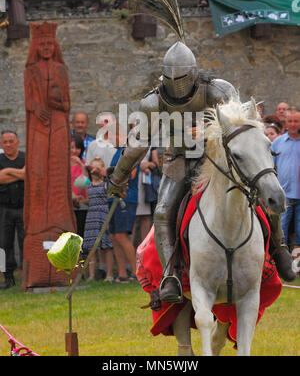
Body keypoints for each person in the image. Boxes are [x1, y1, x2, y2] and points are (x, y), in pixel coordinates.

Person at [108, 41, 296, 303]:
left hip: (219, 157)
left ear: (195, 75)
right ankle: (170, 276)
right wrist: (118, 176)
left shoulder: (218, 90)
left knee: (264, 190)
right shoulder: (153, 102)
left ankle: (279, 247)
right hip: (179, 158)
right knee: (162, 213)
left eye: (183, 78)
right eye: (172, 79)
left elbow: (240, 126)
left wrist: (206, 132)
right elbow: (138, 143)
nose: (178, 84)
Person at [108, 126, 139, 283]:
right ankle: (122, 274)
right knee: (114, 236)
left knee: (122, 236)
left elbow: (130, 173)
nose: (110, 138)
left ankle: (136, 272)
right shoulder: (117, 151)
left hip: (126, 198)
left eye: (113, 134)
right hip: (112, 197)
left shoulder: (130, 150)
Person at [271, 111, 300, 268]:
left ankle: (296, 267)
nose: (294, 124)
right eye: (291, 121)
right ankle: (279, 266)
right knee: (280, 232)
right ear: (286, 123)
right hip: (283, 195)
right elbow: (271, 166)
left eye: (297, 121)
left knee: (299, 235)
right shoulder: (278, 142)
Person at [82, 157, 114, 283]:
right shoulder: (88, 184)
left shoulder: (105, 184)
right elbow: (92, 199)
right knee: (91, 247)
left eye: (97, 167)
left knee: (107, 246)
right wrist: (81, 200)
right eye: (92, 167)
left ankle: (109, 275)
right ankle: (91, 275)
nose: (94, 170)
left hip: (103, 215)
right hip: (91, 216)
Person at [0, 130, 25, 289]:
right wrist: (19, 174)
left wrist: (7, 173)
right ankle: (8, 278)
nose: (8, 145)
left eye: (11, 141)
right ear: (2, 145)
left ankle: (26, 275)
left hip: (24, 208)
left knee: (25, 242)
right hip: (4, 209)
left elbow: (28, 175)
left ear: (17, 142)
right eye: (5, 142)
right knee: (3, 244)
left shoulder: (25, 158)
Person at [133, 147, 160, 249]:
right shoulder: (129, 141)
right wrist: (139, 166)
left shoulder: (151, 144)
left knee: (146, 216)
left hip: (146, 182)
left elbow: (156, 163)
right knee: (133, 218)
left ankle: (145, 249)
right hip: (133, 179)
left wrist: (148, 165)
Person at [70, 134, 89, 238]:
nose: (74, 151)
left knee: (80, 234)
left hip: (81, 204)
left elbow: (85, 182)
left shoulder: (84, 163)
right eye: (72, 147)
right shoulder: (63, 164)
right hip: (68, 204)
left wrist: (81, 165)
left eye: (77, 148)